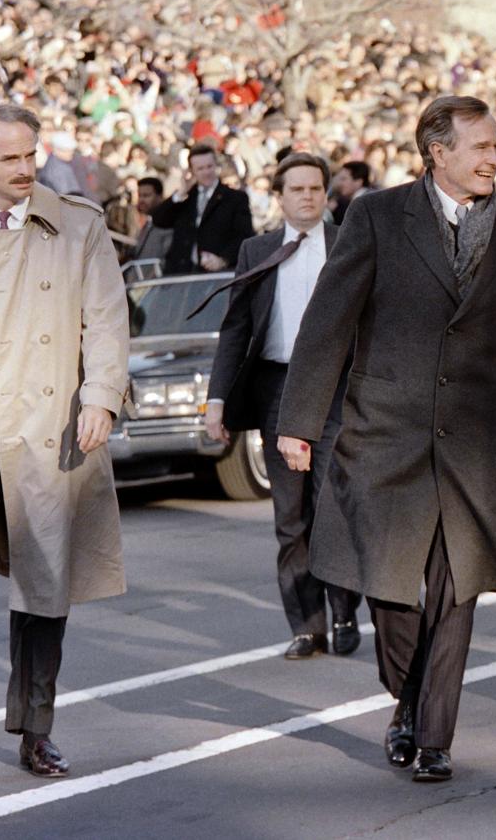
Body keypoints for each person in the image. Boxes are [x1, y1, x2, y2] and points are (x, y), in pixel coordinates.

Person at [274, 96, 496, 782]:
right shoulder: (377, 215)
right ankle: (405, 696)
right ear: (439, 153)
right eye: (483, 147)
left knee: (457, 584)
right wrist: (299, 421)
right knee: (389, 589)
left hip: (474, 435)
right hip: (385, 430)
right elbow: (328, 319)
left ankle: (433, 735)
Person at [0, 103, 130, 788]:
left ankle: (36, 729)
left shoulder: (78, 225)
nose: (25, 168)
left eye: (31, 154)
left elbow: (106, 319)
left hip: (50, 410)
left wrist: (100, 394)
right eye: (9, 158)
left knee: (44, 577)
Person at [199, 152, 363, 660]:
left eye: (316, 188)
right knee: (290, 516)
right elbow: (237, 329)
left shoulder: (349, 246)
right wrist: (217, 400)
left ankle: (343, 609)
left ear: (326, 194)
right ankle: (306, 626)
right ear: (281, 196)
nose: (308, 196)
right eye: (297, 189)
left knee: (333, 506)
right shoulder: (258, 250)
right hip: (276, 389)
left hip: (337, 391)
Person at [149, 142, 254, 274]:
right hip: (181, 275)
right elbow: (159, 220)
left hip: (215, 275)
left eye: (209, 167)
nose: (206, 172)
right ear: (191, 171)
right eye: (200, 168)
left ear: (216, 166)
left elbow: (245, 235)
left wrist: (224, 259)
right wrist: (181, 192)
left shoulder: (235, 198)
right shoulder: (186, 198)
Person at [133, 176, 173, 262]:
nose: (141, 200)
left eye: (146, 195)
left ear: (160, 196)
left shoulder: (167, 224)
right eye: (140, 196)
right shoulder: (148, 222)